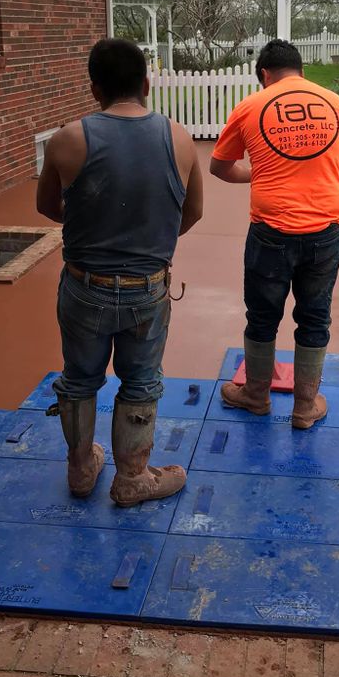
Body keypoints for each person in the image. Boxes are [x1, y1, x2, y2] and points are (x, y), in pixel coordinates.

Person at [37, 38, 203, 504]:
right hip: (145, 290)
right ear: (147, 84)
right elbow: (191, 213)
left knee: (80, 377)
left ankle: (80, 468)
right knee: (141, 380)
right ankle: (132, 478)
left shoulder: (67, 139)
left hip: (82, 286)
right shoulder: (179, 138)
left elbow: (49, 207)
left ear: (94, 89)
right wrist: (149, 244)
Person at [210, 39, 339, 429]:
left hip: (271, 230)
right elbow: (337, 167)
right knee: (314, 316)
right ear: (301, 71)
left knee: (261, 316)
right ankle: (305, 407)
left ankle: (256, 396)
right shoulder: (337, 105)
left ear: (264, 75)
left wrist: (261, 173)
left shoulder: (252, 107)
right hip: (325, 229)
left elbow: (220, 167)